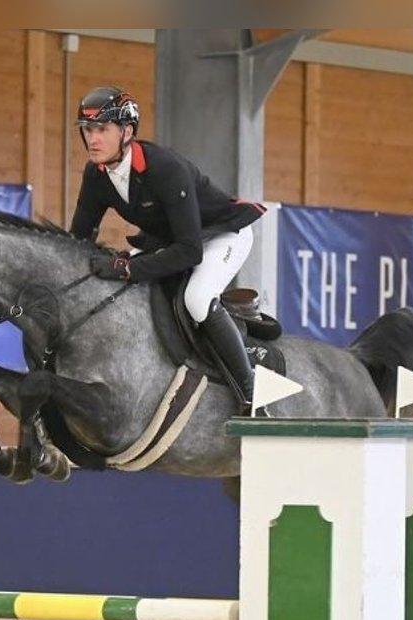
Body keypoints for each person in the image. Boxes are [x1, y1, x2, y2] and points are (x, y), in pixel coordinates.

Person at [69, 86, 266, 407]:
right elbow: (77, 241)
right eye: (88, 130)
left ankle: (250, 392)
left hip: (221, 235)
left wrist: (129, 268)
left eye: (102, 129)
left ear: (127, 132)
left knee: (197, 299)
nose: (92, 139)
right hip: (174, 241)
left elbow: (190, 252)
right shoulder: (96, 174)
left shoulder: (165, 168)